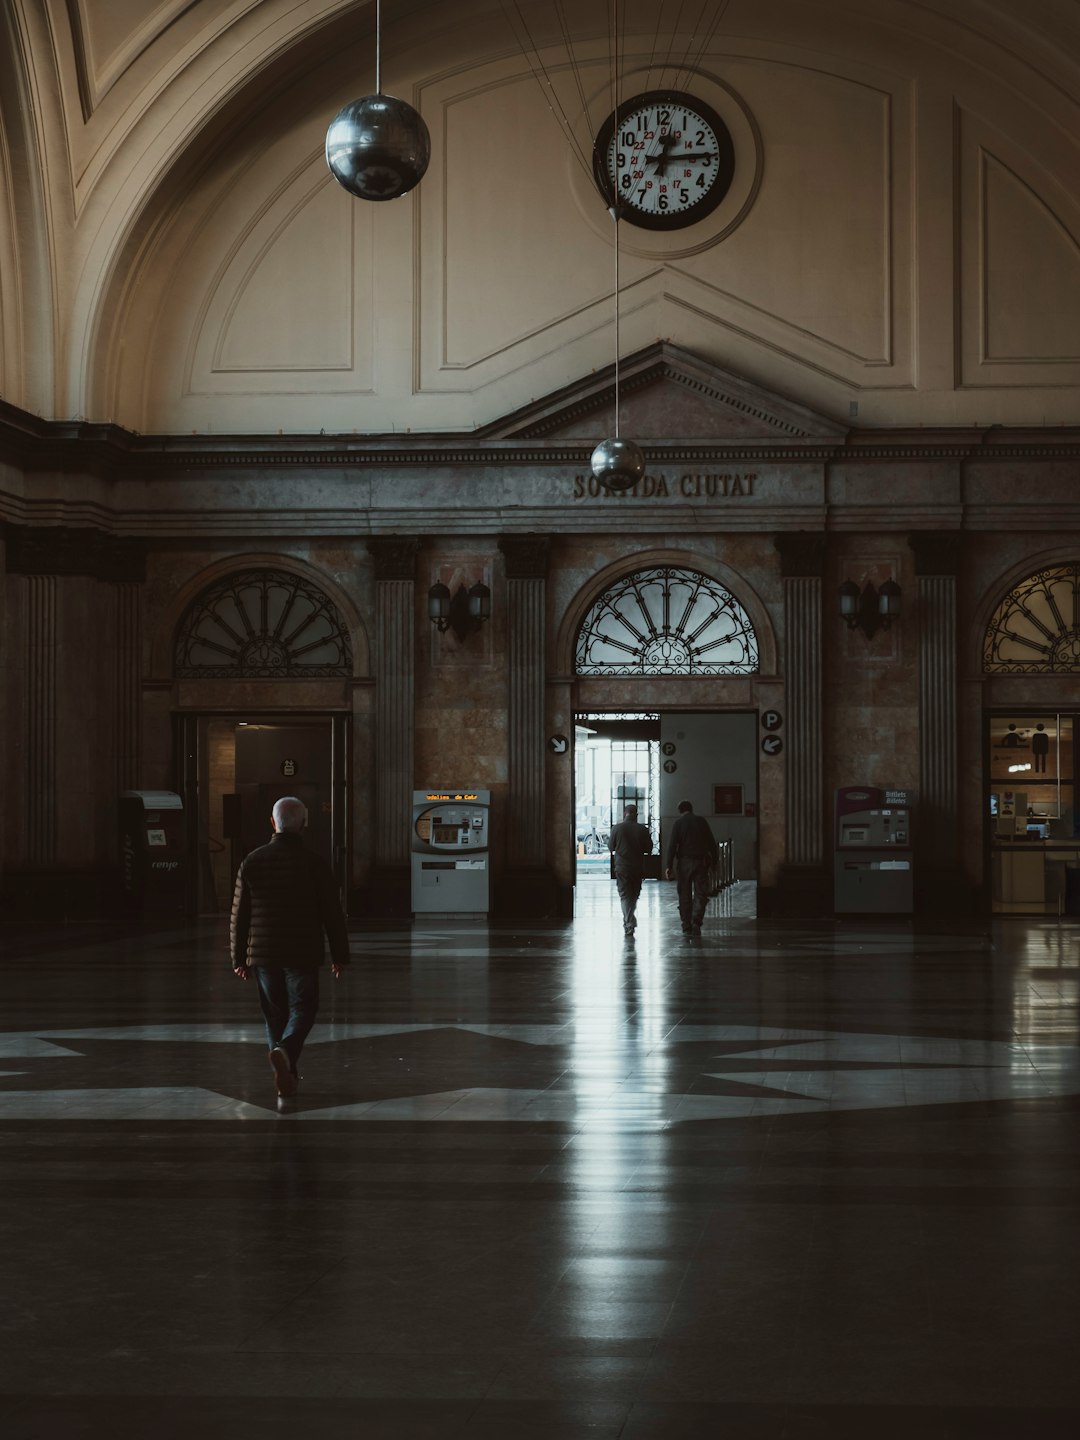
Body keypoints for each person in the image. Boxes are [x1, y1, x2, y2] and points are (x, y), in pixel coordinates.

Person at [230, 795, 349, 1100]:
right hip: (303, 951)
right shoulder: (315, 863)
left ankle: (288, 1076)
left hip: (264, 954)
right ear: (304, 825)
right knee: (304, 1008)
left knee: (274, 1015)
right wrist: (340, 954)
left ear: (273, 823)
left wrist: (238, 956)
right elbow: (332, 913)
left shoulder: (252, 861)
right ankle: (285, 1053)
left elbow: (239, 914)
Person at [664, 799, 719, 935]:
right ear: (691, 809)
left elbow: (672, 846)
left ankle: (686, 924)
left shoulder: (678, 823)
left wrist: (668, 866)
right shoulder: (702, 821)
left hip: (684, 862)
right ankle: (696, 921)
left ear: (680, 811)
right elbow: (712, 843)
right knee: (701, 893)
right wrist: (714, 862)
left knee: (684, 894)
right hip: (701, 862)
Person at [608, 804, 653, 935]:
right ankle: (629, 921)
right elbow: (648, 848)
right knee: (634, 895)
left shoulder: (617, 828)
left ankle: (628, 923)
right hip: (637, 867)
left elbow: (611, 847)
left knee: (624, 895)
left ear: (624, 813)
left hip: (622, 867)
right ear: (636, 814)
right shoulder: (642, 829)